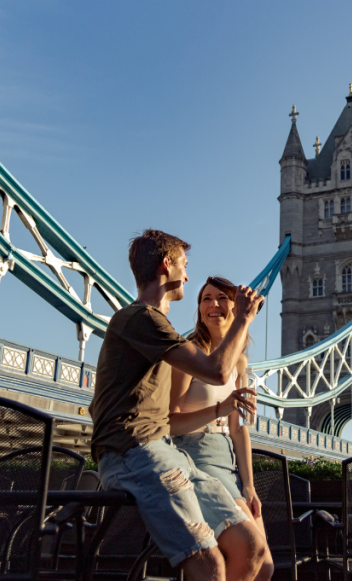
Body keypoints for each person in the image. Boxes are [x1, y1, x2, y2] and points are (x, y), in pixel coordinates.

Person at [89, 229, 270, 581]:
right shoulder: (139, 318)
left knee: (253, 548)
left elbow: (150, 414)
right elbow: (216, 371)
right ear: (165, 265)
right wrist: (244, 317)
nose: (187, 275)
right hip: (134, 453)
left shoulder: (159, 327)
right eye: (184, 265)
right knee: (208, 563)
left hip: (168, 452)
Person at [169, 277, 273, 578]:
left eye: (221, 298)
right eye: (205, 299)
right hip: (196, 456)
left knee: (265, 566)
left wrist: (249, 484)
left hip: (228, 463)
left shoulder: (239, 363)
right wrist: (219, 408)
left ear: (236, 306)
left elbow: (239, 429)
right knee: (250, 554)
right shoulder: (189, 355)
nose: (213, 305)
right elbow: (170, 423)